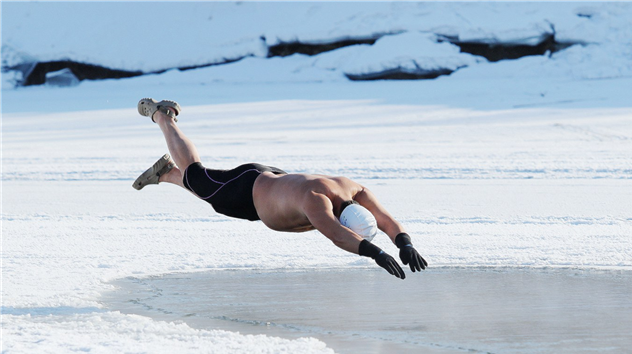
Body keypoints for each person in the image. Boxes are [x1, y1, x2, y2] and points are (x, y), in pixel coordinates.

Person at [134, 98, 428, 279]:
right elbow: (339, 237)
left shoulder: (354, 190)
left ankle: (165, 174)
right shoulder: (318, 204)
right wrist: (377, 254)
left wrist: (405, 244)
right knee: (197, 175)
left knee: (208, 189)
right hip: (248, 190)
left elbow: (386, 220)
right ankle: (164, 116)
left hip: (271, 187)